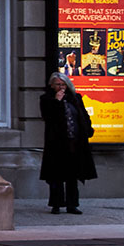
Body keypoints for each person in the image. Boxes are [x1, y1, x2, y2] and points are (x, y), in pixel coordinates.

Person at [39, 74, 96, 214]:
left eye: (63, 85)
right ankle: (56, 204)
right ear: (52, 85)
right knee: (56, 175)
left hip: (74, 141)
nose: (60, 88)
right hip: (57, 143)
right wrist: (57, 102)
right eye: (57, 84)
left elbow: (83, 115)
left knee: (73, 174)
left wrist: (88, 129)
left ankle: (72, 204)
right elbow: (48, 117)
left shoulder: (75, 98)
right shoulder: (47, 99)